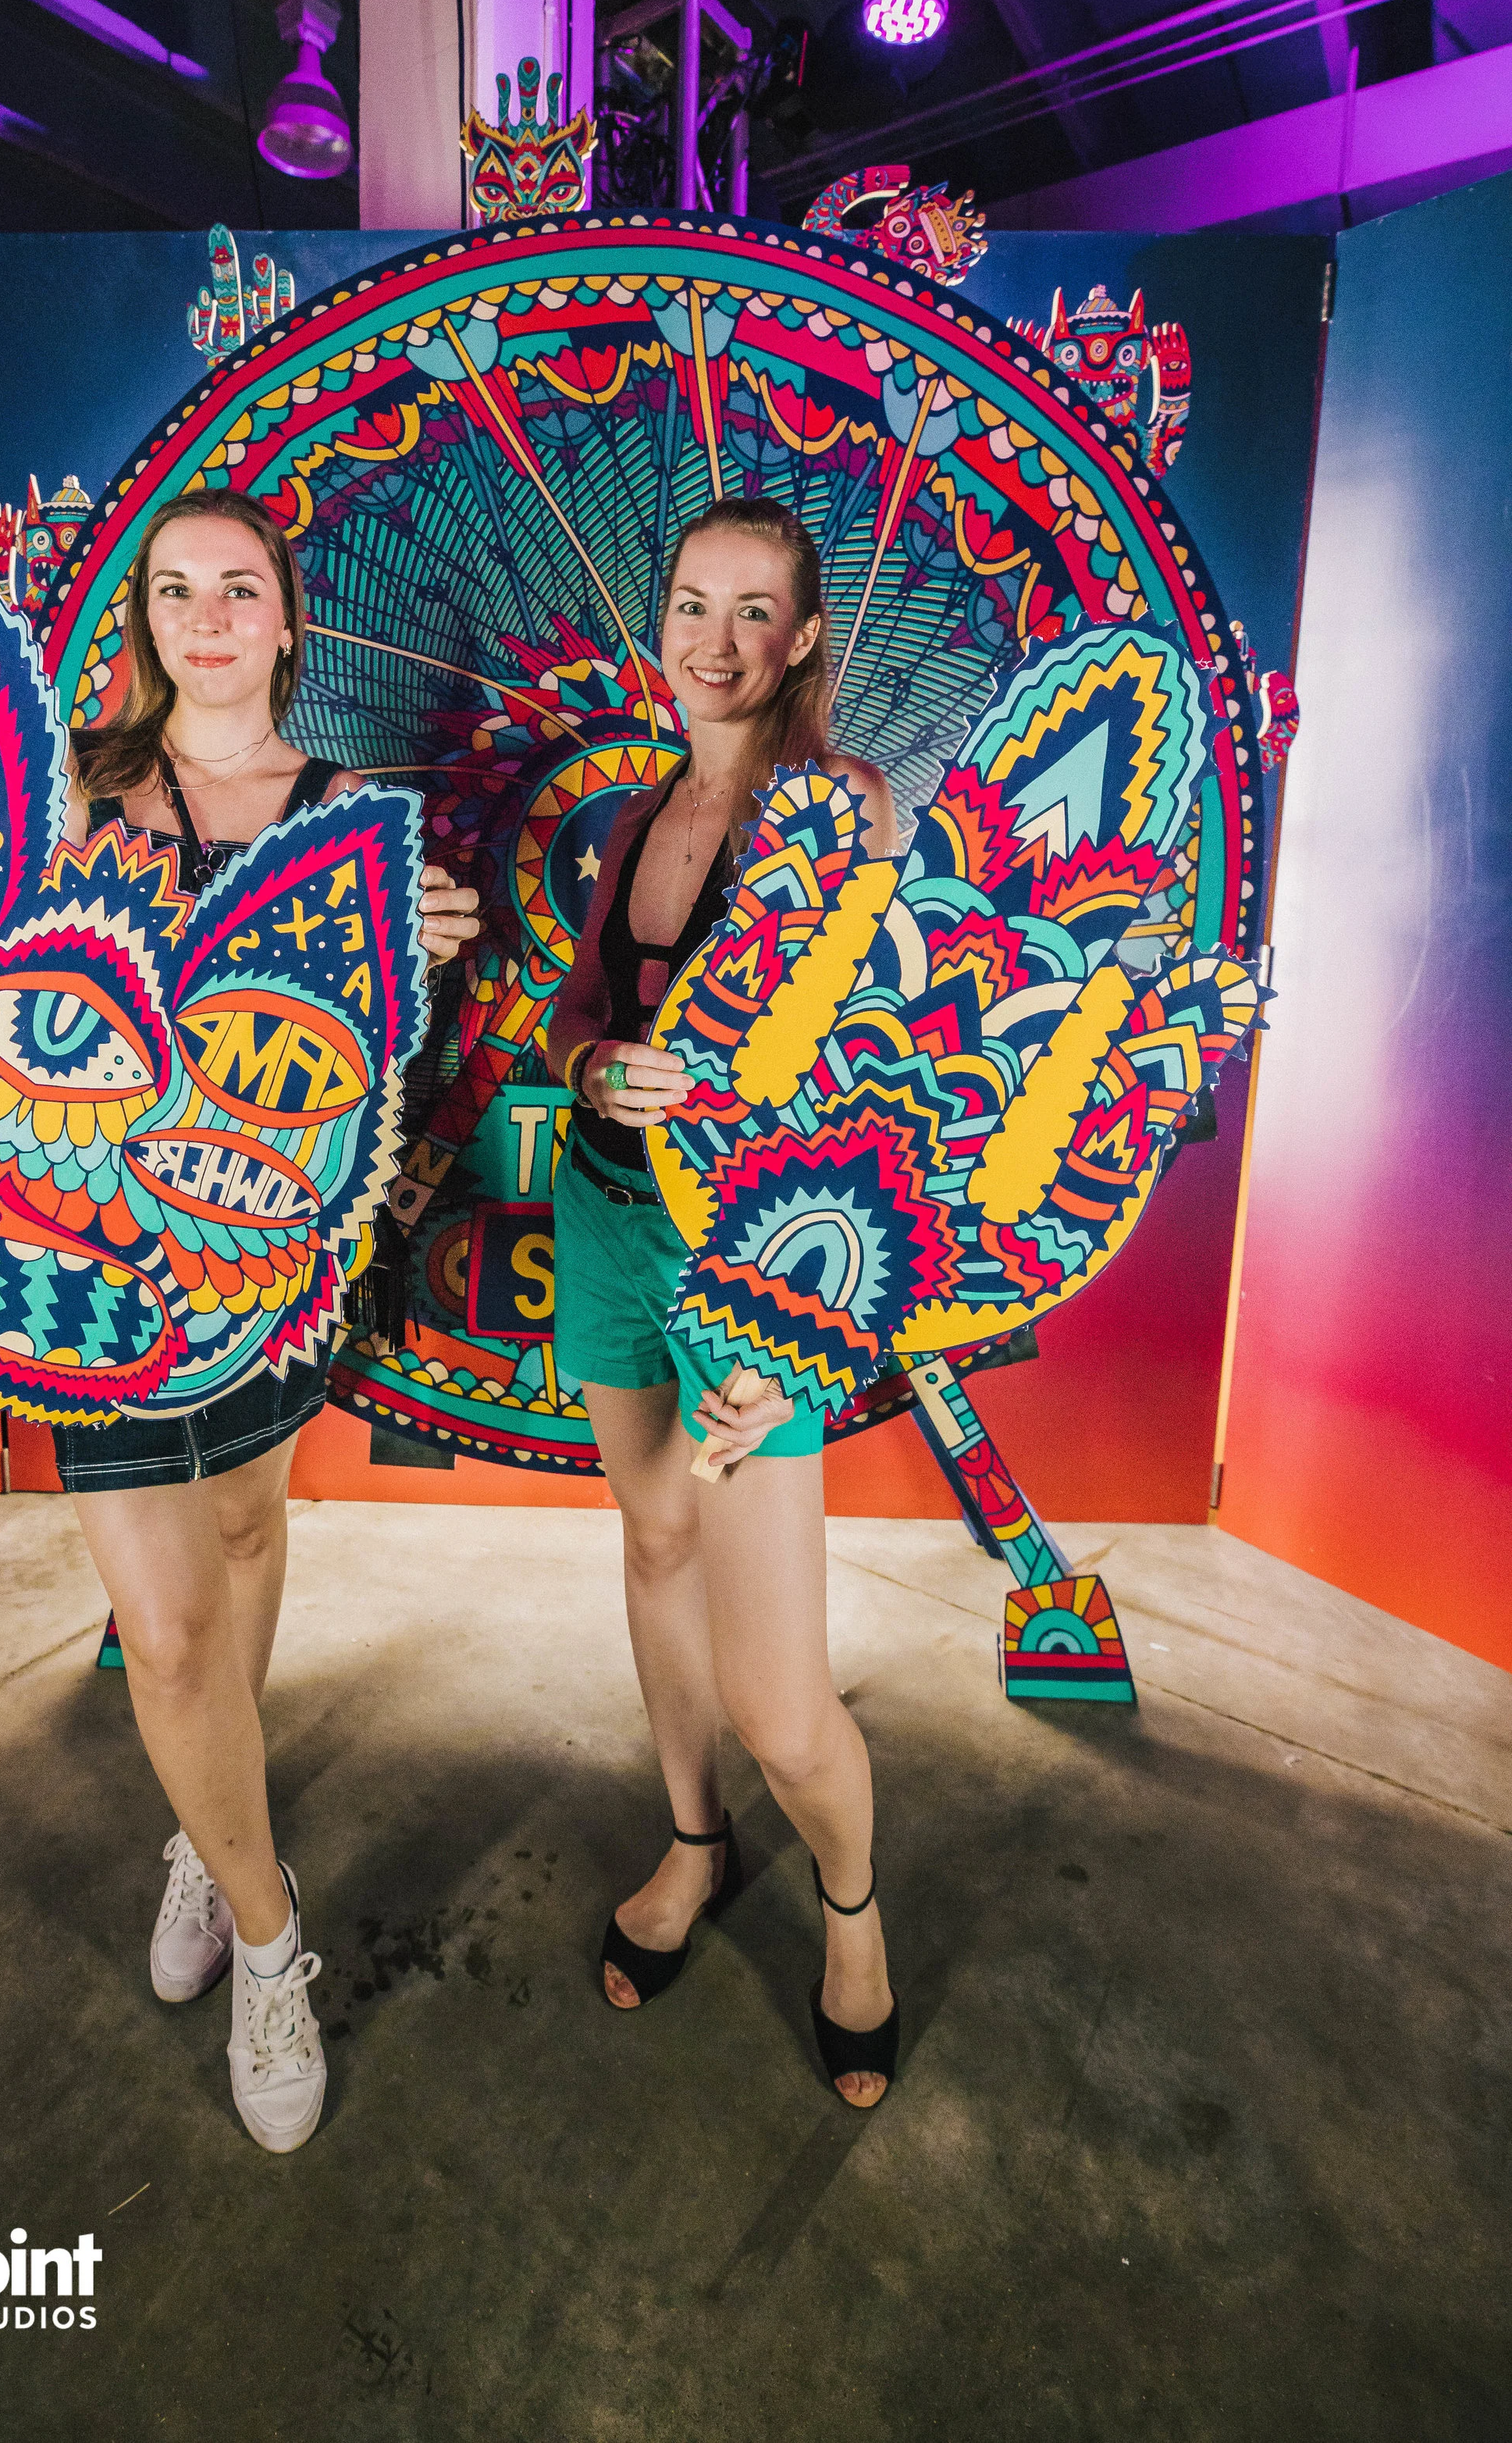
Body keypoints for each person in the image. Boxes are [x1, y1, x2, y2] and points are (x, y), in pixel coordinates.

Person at [0, 490, 478, 2154]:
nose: (206, 618)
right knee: (175, 1632)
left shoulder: (357, 822)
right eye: (175, 591)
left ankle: (209, 1835)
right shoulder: (60, 806)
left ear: (288, 621)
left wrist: (415, 967)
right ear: (142, 620)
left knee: (250, 1530)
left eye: (240, 590)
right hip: (92, 1286)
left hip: (267, 1278)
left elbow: (385, 1083)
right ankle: (273, 1944)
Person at [546, 496, 903, 2109]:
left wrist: (800, 1323)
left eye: (755, 612)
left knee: (777, 1696)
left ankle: (850, 1908)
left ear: (804, 638)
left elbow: (887, 1093)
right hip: (608, 1222)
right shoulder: (638, 816)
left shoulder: (840, 817)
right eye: (693, 603)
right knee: (649, 1542)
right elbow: (577, 1007)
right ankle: (693, 1846)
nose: (716, 639)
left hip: (758, 1269)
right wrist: (590, 1066)